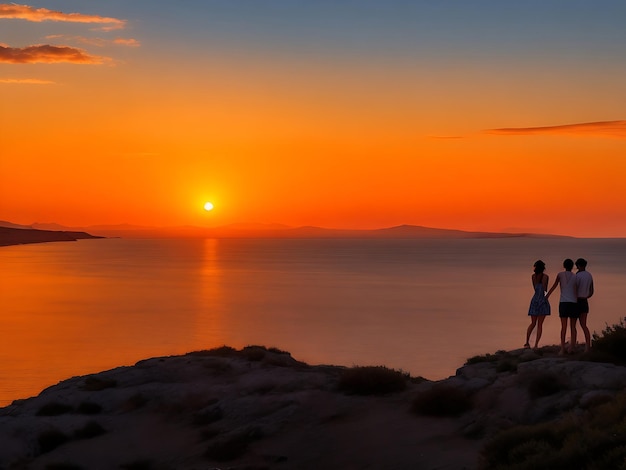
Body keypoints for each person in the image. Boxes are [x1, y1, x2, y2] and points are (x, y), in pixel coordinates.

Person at [546, 259, 578, 354]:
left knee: (563, 327)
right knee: (573, 327)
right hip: (573, 303)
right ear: (572, 266)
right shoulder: (575, 276)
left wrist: (547, 295)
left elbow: (554, 286)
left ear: (564, 266)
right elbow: (576, 290)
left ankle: (562, 348)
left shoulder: (560, 274)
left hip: (563, 302)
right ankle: (572, 347)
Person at [525, 260, 550, 349]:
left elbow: (535, 288)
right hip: (542, 300)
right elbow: (545, 290)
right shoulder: (545, 277)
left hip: (535, 300)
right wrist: (546, 298)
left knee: (533, 323)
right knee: (540, 324)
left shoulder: (533, 277)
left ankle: (526, 342)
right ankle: (536, 345)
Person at [575, 258, 594, 352]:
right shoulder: (589, 275)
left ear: (578, 265)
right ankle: (587, 346)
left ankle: (572, 346)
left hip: (577, 301)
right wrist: (586, 296)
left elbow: (574, 288)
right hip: (585, 301)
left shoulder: (577, 275)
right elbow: (591, 291)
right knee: (584, 325)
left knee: (573, 324)